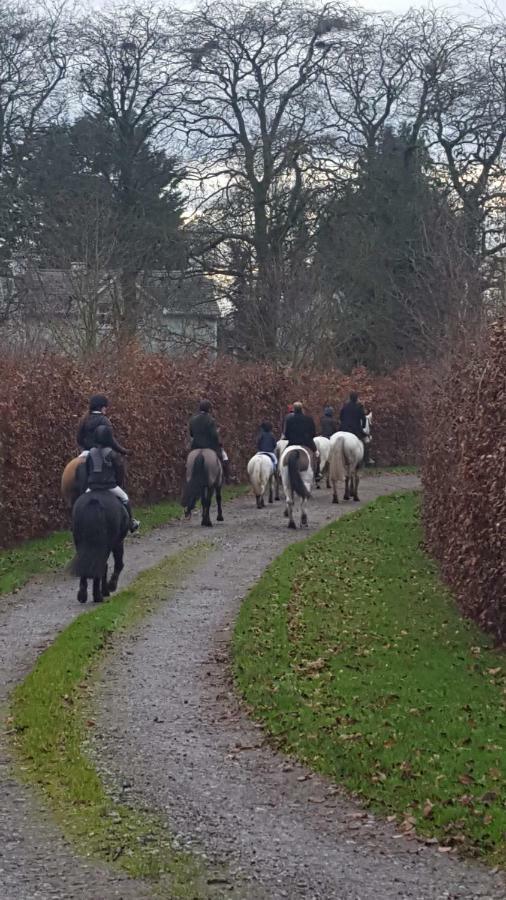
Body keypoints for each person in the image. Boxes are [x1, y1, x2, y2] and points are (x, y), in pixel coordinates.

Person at [84, 425, 140, 533]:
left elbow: (87, 470)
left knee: (80, 502)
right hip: (109, 486)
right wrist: (117, 483)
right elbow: (119, 472)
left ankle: (76, 524)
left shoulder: (91, 453)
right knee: (125, 498)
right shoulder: (112, 454)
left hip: (92, 487)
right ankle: (131, 522)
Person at [189, 399, 231, 482]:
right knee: (224, 456)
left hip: (195, 447)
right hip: (209, 447)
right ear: (209, 409)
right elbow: (214, 436)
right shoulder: (210, 420)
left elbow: (191, 434)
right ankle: (227, 477)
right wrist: (219, 442)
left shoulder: (193, 420)